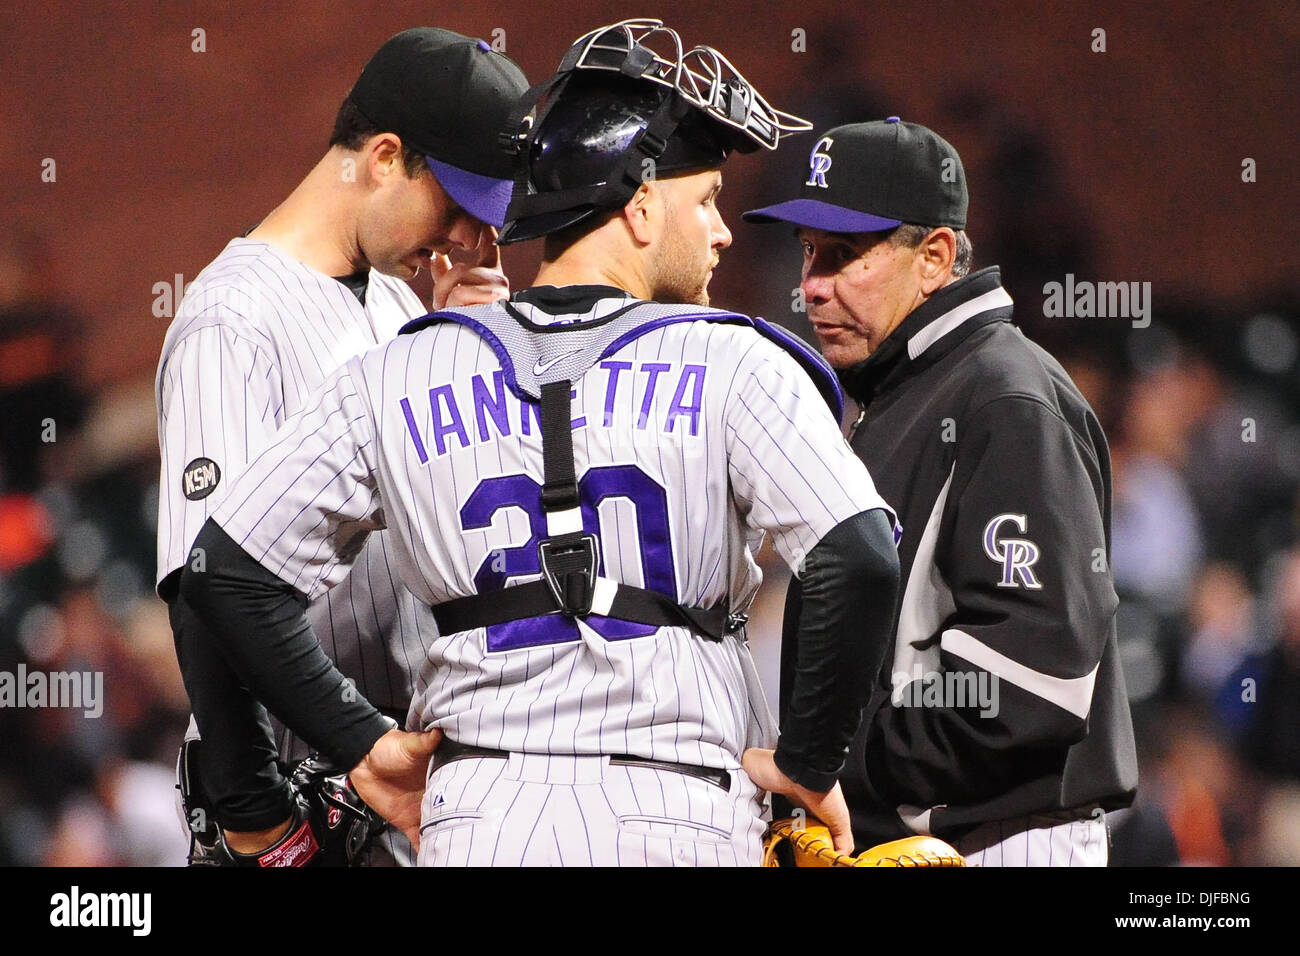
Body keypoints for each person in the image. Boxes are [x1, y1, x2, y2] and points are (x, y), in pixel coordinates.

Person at [178, 17, 901, 866]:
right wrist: (809, 766)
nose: (723, 230)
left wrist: (361, 742)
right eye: (705, 199)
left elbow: (222, 575)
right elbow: (859, 558)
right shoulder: (736, 357)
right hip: (676, 809)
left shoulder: (403, 361)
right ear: (637, 205)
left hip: (475, 815)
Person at [155, 27, 528, 865]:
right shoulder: (233, 319)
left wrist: (465, 355)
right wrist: (258, 820)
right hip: (296, 791)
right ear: (387, 157)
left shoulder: (398, 308)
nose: (470, 238)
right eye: (457, 205)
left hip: (386, 783)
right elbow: (206, 587)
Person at [744, 118, 1138, 865]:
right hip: (926, 835)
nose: (811, 286)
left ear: (934, 257)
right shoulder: (908, 392)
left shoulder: (1003, 396)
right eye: (806, 254)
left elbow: (1032, 681)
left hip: (1001, 841)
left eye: (844, 255)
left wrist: (837, 764)